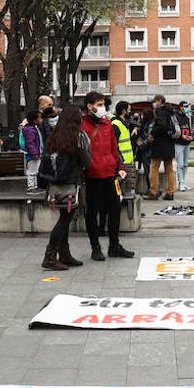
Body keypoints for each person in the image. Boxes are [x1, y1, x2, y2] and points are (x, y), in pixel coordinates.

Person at [79, 91, 133, 261]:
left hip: (110, 174)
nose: (103, 107)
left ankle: (114, 245)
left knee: (115, 209)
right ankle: (95, 247)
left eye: (103, 104)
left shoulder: (107, 124)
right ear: (90, 106)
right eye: (99, 104)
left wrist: (120, 167)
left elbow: (114, 149)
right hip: (93, 175)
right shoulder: (82, 125)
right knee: (93, 211)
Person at [41, 105, 89, 271]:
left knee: (64, 217)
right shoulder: (77, 137)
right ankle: (50, 256)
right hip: (70, 183)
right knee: (65, 219)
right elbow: (86, 162)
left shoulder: (54, 136)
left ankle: (64, 254)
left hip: (55, 183)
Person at [148, 96, 178, 201]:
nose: (154, 103)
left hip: (160, 143)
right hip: (169, 143)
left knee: (154, 167)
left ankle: (153, 192)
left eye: (155, 101)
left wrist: (152, 133)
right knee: (169, 169)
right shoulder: (170, 110)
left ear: (159, 101)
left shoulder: (160, 111)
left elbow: (162, 126)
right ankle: (170, 192)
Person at [171, 101, 193, 190]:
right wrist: (181, 136)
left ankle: (183, 181)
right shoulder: (175, 117)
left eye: (187, 106)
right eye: (184, 106)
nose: (186, 108)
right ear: (180, 107)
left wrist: (191, 136)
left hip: (187, 144)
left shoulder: (187, 118)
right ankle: (181, 183)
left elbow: (189, 129)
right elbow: (174, 130)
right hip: (179, 143)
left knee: (185, 164)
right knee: (180, 164)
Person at [21, 110, 44, 193]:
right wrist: (34, 153)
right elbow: (30, 143)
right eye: (40, 118)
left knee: (35, 170)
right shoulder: (30, 130)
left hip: (36, 154)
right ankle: (31, 187)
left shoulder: (33, 128)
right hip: (32, 155)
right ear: (34, 120)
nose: (41, 120)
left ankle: (35, 186)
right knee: (32, 171)